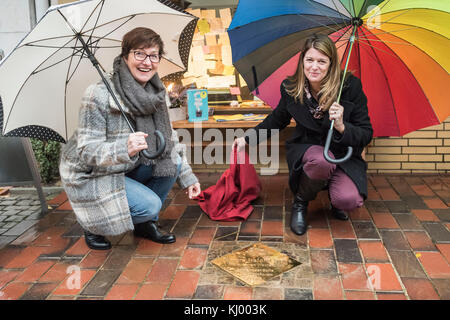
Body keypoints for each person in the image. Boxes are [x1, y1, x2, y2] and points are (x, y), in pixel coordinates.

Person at [59, 27, 201, 250]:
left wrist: (189, 177)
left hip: (127, 166)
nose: (147, 62)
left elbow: (169, 139)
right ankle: (94, 224)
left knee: (170, 162)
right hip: (94, 172)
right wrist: (123, 147)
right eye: (139, 54)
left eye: (154, 55)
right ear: (125, 56)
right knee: (150, 205)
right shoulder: (98, 94)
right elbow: (86, 151)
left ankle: (144, 224)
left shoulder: (156, 92)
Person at [233, 34, 373, 235]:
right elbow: (277, 120)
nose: (314, 67)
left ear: (331, 64)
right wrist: (247, 139)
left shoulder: (349, 87)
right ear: (302, 61)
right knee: (322, 162)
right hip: (309, 149)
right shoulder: (291, 88)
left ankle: (335, 199)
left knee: (349, 200)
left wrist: (342, 126)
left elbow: (366, 133)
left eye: (322, 61)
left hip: (342, 154)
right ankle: (300, 202)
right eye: (310, 60)